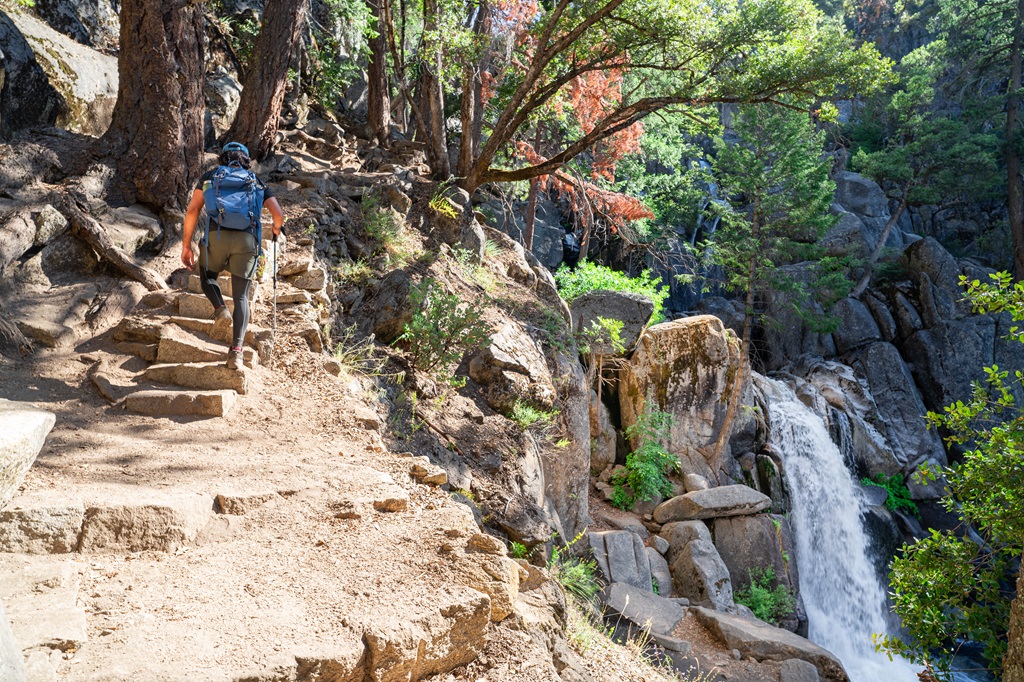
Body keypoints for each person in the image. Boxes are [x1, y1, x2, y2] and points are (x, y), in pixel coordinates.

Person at [181, 142, 284, 369]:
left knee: (207, 277)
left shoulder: (210, 176)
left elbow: (192, 210)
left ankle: (220, 310)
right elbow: (278, 215)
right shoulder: (255, 180)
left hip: (216, 238)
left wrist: (186, 245)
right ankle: (236, 353)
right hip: (246, 242)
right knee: (241, 297)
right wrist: (275, 230)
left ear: (222, 159)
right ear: (246, 160)